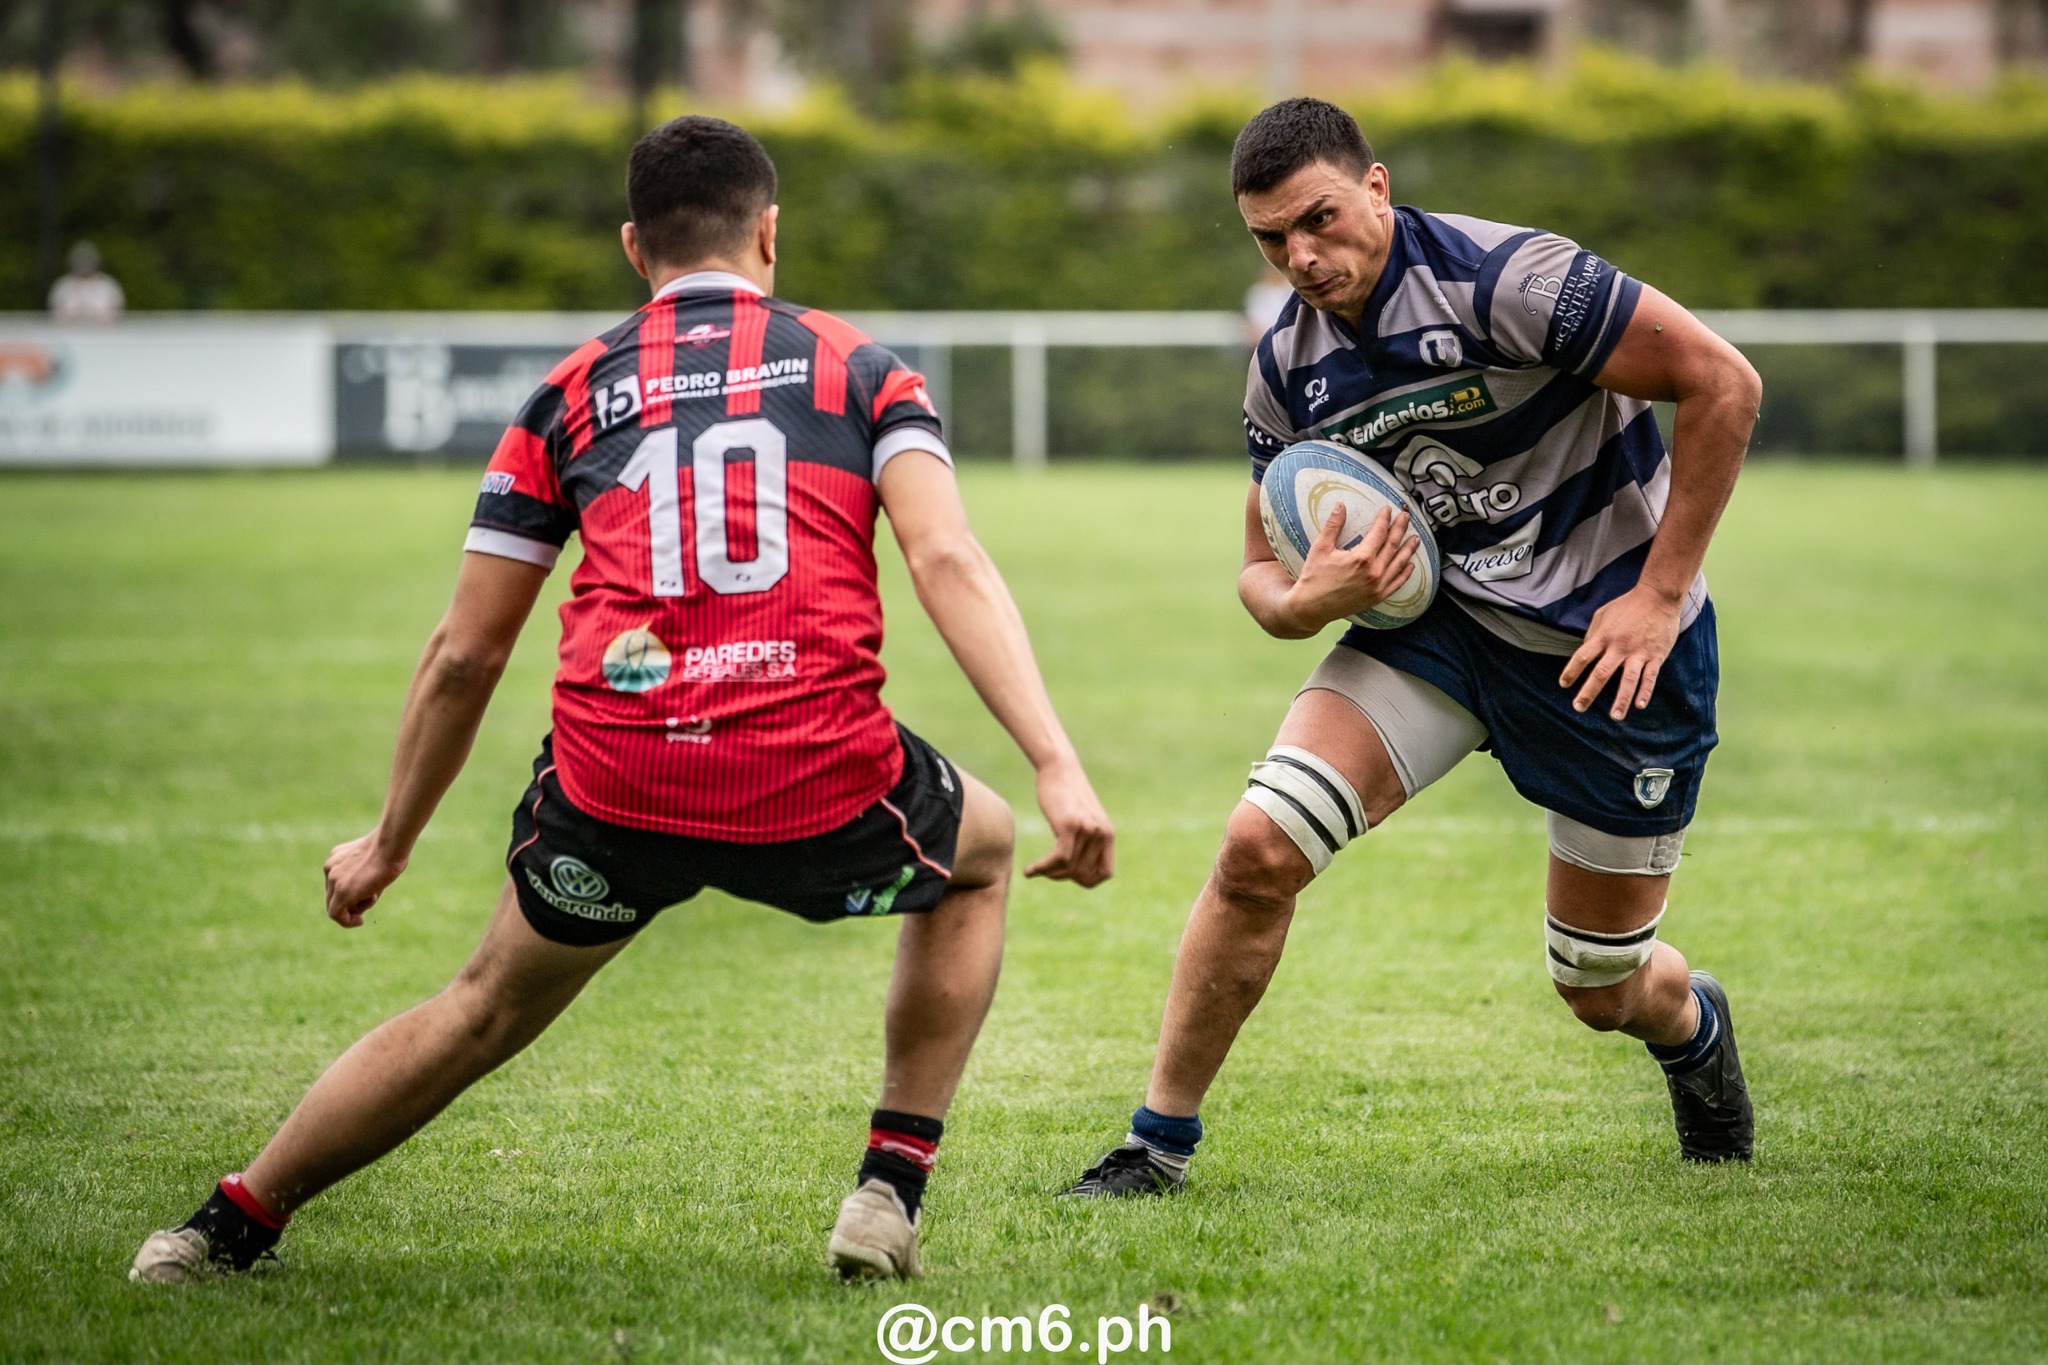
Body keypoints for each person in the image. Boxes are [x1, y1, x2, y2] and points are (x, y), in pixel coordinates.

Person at [130, 115, 1114, 1284]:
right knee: (982, 857)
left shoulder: (568, 392)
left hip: (621, 776)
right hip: (812, 764)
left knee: (484, 1007)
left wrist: (389, 843)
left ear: (630, 246)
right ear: (771, 232)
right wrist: (1054, 761)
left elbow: (464, 653)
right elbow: (946, 562)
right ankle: (885, 1193)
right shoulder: (858, 367)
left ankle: (220, 1230)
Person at [1064, 98, 1761, 1198]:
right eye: (1267, 237)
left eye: (1319, 219)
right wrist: (1307, 602)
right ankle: (1154, 1146)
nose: (1298, 255)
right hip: (1435, 633)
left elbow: (1721, 382)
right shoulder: (1287, 366)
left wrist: (1658, 594)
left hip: (1608, 650)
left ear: (1376, 188)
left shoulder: (1510, 282)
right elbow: (1258, 574)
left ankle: (1689, 1023)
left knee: (1596, 984)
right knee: (1257, 850)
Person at [48, 241, 125, 323]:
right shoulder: (63, 285)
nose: (84, 265)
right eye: (80, 260)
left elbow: (118, 312)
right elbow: (55, 313)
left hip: (103, 334)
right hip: (68, 334)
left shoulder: (108, 285)